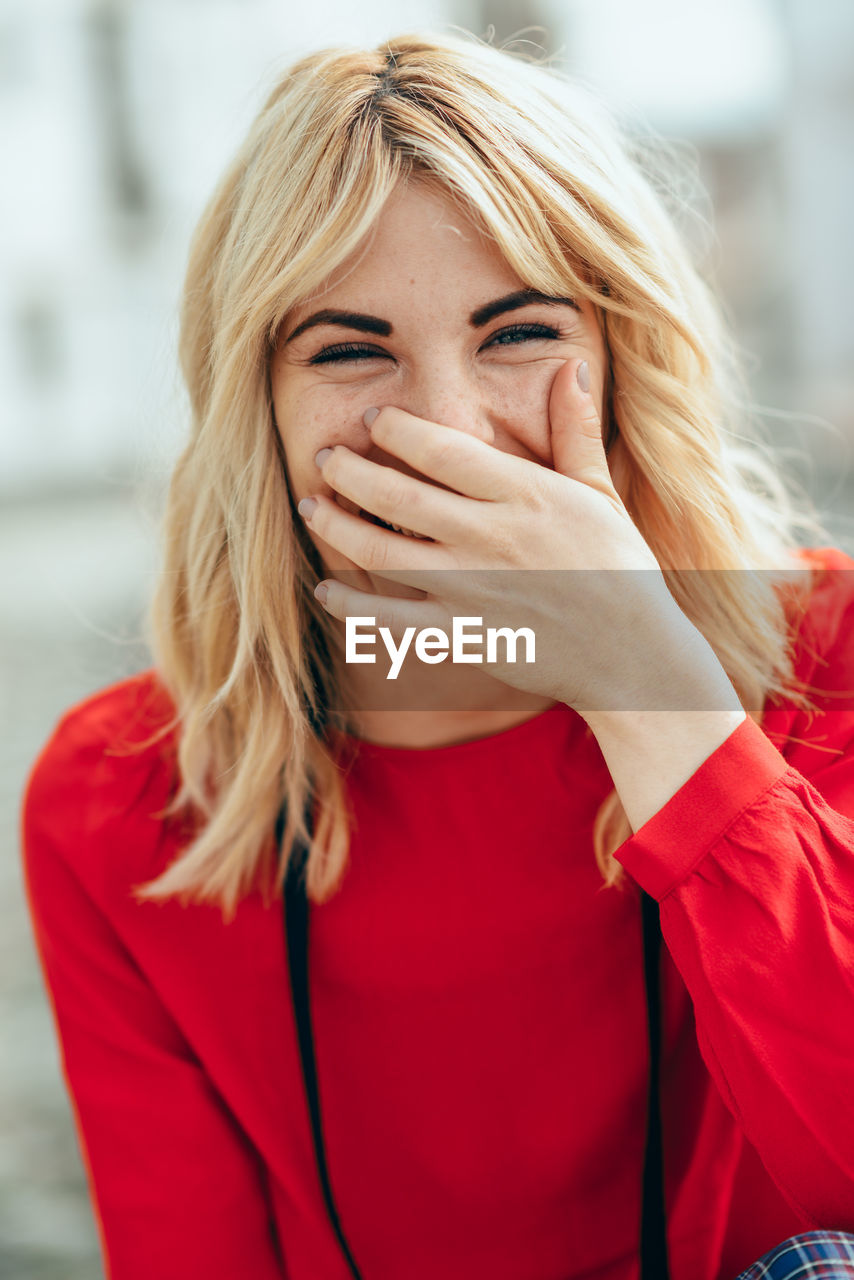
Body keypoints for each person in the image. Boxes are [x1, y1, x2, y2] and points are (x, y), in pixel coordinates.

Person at [21, 30, 854, 1280]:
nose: (442, 430)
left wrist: (649, 680)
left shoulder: (822, 656)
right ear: (257, 405)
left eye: (516, 333)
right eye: (348, 350)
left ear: (623, 360)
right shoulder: (120, 798)